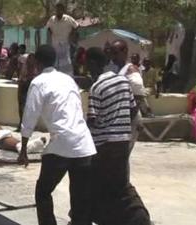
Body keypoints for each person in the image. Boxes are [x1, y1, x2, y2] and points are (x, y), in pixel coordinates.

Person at [18, 45, 96, 225]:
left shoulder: (38, 82)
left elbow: (29, 116)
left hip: (61, 144)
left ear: (36, 62)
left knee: (43, 192)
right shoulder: (68, 80)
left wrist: (23, 150)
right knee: (80, 198)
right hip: (84, 144)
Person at [86, 47, 151, 225]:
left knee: (95, 183)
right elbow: (132, 110)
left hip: (104, 146)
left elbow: (93, 121)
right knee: (121, 185)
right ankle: (137, 217)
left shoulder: (96, 87)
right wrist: (120, 128)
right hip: (122, 143)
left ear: (92, 64)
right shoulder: (122, 81)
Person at [111, 40, 153, 119]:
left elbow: (138, 90)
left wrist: (130, 113)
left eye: (116, 53)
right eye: (112, 53)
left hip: (128, 116)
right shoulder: (118, 69)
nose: (113, 56)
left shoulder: (130, 69)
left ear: (125, 51)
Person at [46, 3, 78, 76]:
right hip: (55, 43)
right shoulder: (52, 19)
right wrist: (52, 34)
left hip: (65, 43)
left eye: (60, 9)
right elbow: (48, 27)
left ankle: (69, 77)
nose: (58, 11)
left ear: (63, 10)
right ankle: (55, 77)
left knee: (66, 61)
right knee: (55, 62)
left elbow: (76, 26)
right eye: (57, 9)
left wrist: (71, 36)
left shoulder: (68, 19)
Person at [17, 52, 37, 131]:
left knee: (29, 107)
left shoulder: (35, 69)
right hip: (23, 86)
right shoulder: (24, 66)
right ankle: (21, 124)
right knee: (21, 106)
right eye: (29, 59)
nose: (30, 60)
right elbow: (21, 76)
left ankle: (28, 125)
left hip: (30, 87)